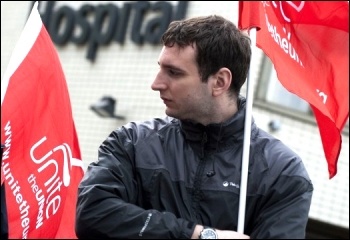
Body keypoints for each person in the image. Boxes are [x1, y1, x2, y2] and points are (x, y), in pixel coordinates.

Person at [75, 15, 313, 239]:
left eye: (173, 73)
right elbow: (92, 214)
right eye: (160, 68)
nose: (156, 84)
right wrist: (198, 234)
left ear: (219, 82)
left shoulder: (282, 173)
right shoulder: (132, 142)